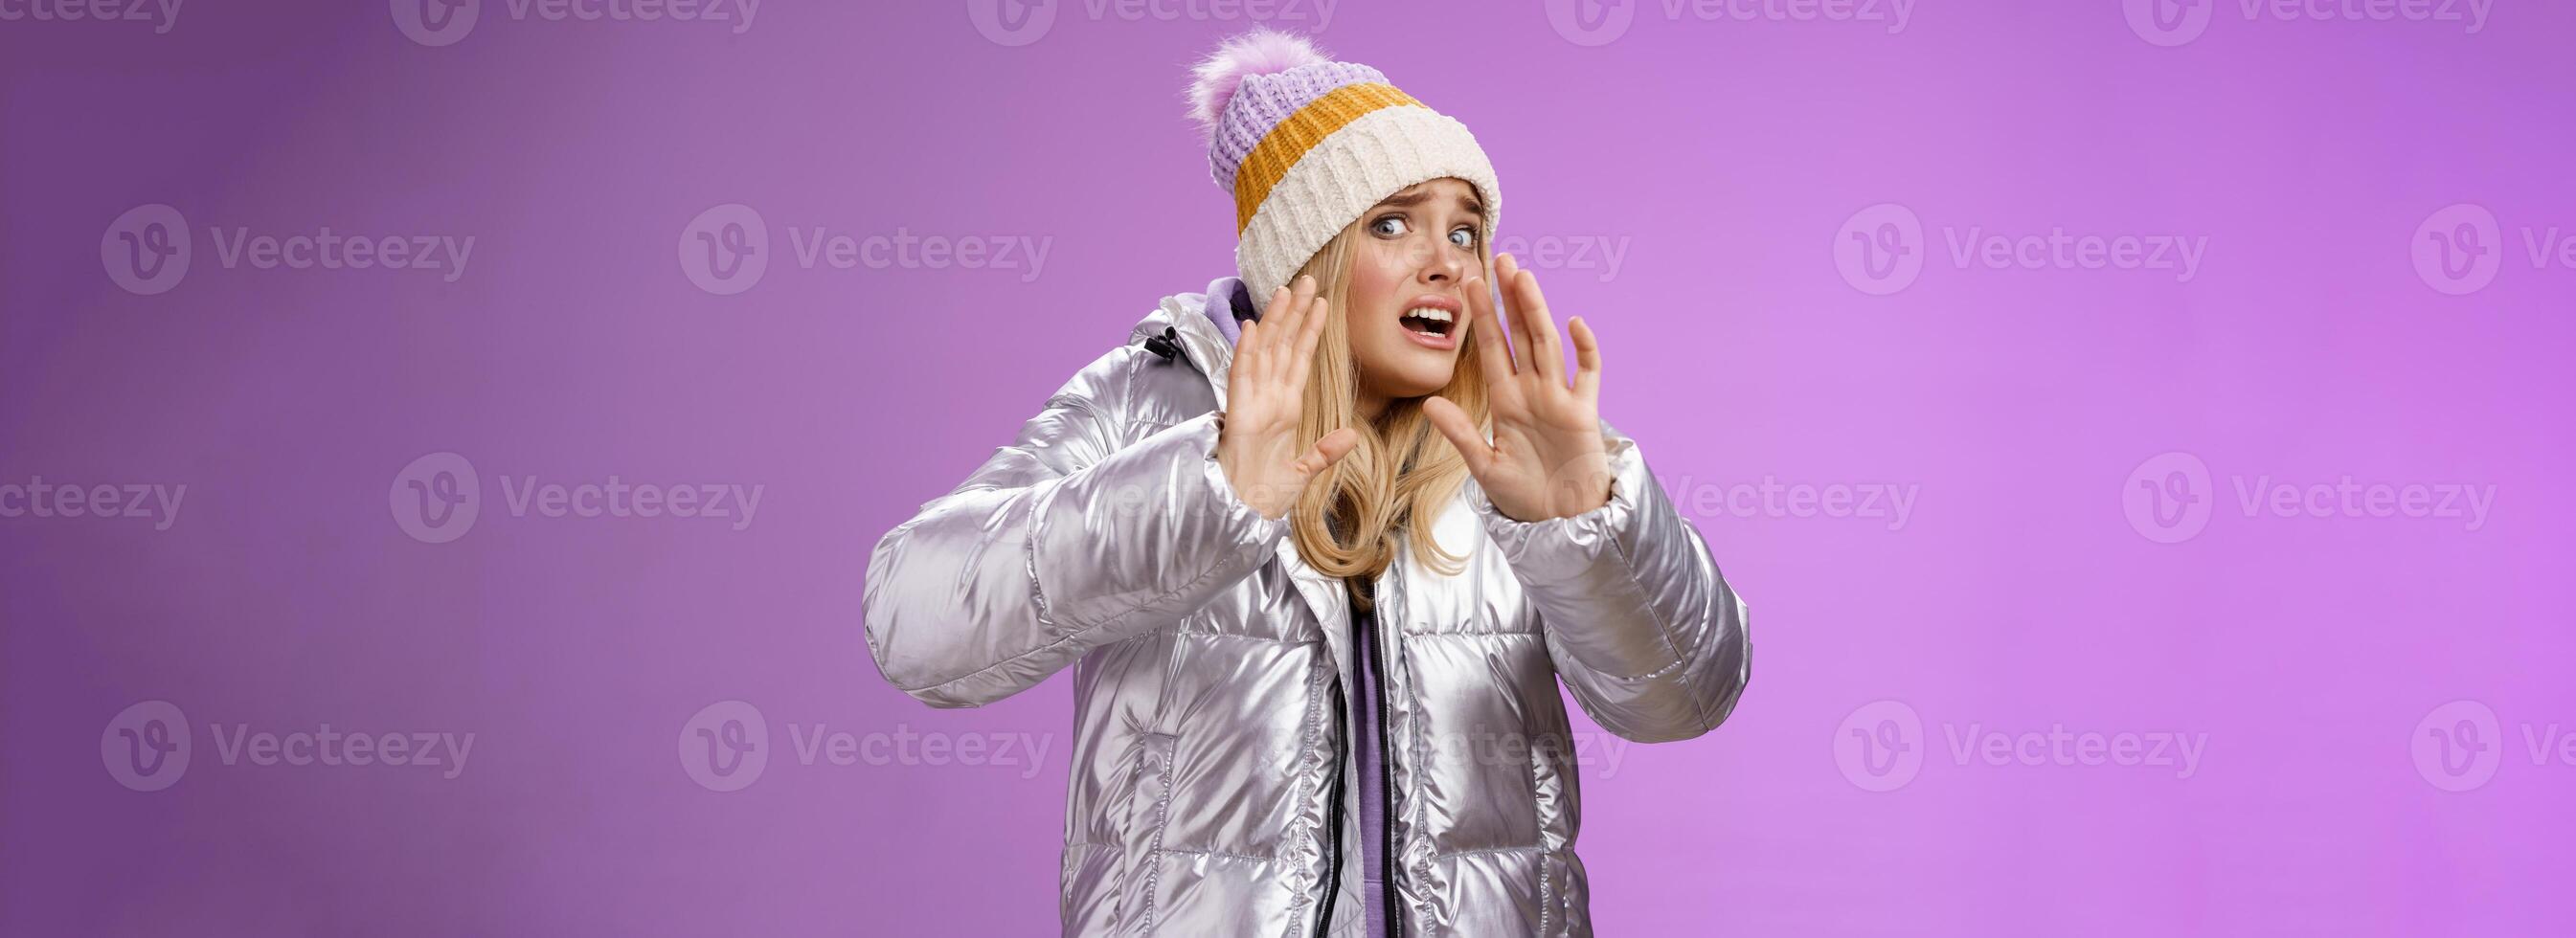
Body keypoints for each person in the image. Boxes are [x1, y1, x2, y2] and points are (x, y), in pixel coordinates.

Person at [861, 28, 1752, 937]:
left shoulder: (1519, 453)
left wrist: (1589, 533)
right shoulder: (1152, 402)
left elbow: (1687, 698)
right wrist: (1204, 495)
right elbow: (913, 623)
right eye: (1393, 222)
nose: (1445, 259)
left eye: (1466, 229)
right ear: (1306, 254)